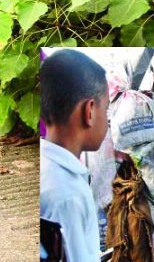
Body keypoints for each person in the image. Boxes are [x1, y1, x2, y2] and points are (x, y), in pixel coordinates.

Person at [40, 50, 110, 262]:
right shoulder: (69, 195)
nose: (107, 120)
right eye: (106, 109)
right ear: (89, 111)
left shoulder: (45, 167)